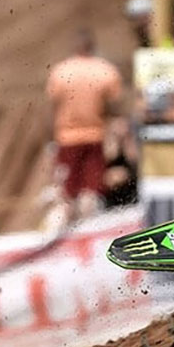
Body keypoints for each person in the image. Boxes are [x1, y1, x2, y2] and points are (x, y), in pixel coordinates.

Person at [46, 28, 124, 220]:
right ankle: (89, 226)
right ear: (92, 46)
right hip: (96, 137)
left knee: (68, 191)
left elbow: (53, 106)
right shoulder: (105, 70)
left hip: (67, 138)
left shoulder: (61, 71)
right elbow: (115, 106)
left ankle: (70, 228)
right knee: (92, 191)